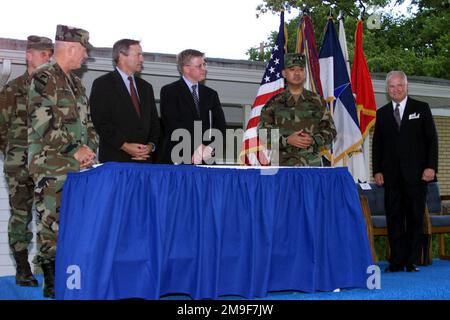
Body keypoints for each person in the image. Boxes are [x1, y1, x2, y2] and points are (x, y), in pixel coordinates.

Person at [27, 25, 98, 298]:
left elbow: (88, 123)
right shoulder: (43, 77)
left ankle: (73, 279)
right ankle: (52, 286)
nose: (85, 57)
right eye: (83, 51)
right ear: (70, 47)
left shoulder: (76, 83)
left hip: (79, 169)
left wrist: (90, 150)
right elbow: (42, 121)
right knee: (51, 225)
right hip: (50, 167)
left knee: (75, 224)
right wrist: (73, 148)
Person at [372, 70, 438, 273]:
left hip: (417, 175)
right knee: (394, 218)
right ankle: (397, 260)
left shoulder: (421, 108)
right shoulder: (382, 113)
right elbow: (377, 146)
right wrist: (377, 171)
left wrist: (431, 167)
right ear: (387, 89)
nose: (396, 89)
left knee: (415, 217)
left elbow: (431, 140)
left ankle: (411, 261)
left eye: (400, 85)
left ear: (406, 86)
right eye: (392, 86)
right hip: (391, 177)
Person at [0, 36, 53, 287]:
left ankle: (46, 265)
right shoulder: (12, 88)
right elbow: (1, 128)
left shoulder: (53, 89)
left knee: (49, 217)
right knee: (21, 215)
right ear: (29, 56)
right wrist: (15, 153)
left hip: (49, 164)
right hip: (19, 164)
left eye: (49, 54)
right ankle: (23, 269)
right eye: (42, 54)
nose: (47, 58)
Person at [258, 53, 336, 166]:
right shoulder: (273, 103)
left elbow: (330, 130)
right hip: (282, 167)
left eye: (301, 69)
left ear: (305, 73)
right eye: (292, 69)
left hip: (310, 167)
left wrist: (313, 140)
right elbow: (263, 133)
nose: (297, 73)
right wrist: (287, 140)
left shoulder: (317, 101)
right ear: (284, 73)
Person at [89, 39, 159, 163]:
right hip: (116, 160)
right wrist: (125, 146)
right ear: (122, 56)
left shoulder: (146, 87)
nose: (142, 59)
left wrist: (150, 146)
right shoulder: (103, 84)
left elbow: (154, 122)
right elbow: (101, 122)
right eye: (138, 55)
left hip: (145, 161)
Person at [160, 49, 226, 164]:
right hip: (178, 157)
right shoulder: (169, 91)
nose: (204, 69)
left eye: (204, 64)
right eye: (199, 66)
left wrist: (209, 149)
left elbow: (220, 126)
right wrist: (196, 148)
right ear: (186, 68)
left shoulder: (211, 94)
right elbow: (172, 124)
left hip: (206, 159)